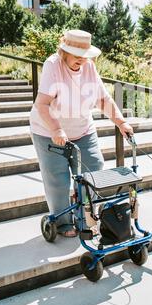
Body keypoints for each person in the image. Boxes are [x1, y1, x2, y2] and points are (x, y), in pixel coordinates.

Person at [30, 29, 134, 237]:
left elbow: (103, 99)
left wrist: (121, 122)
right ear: (64, 52)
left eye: (84, 56)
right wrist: (56, 129)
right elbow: (42, 104)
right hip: (49, 131)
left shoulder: (89, 67)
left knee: (93, 170)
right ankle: (62, 223)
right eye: (77, 55)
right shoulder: (53, 65)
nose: (82, 60)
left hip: (83, 130)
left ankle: (85, 216)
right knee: (58, 179)